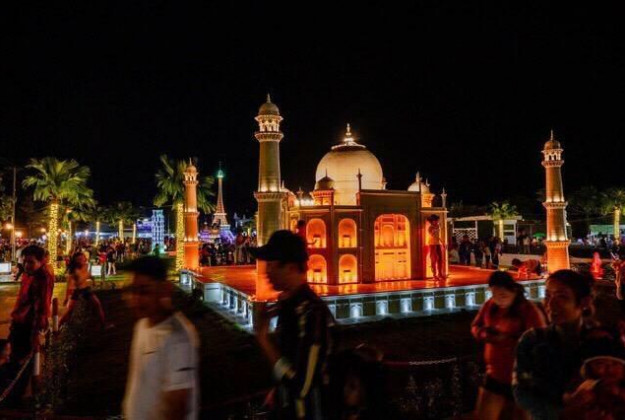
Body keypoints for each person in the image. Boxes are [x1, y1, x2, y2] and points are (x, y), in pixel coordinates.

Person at [252, 230, 335, 419]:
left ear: (290, 268)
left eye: (271, 265)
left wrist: (264, 340)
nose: (266, 272)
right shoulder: (289, 307)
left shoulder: (312, 313)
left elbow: (302, 386)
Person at [513, 270, 606, 419]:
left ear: (584, 302)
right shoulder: (532, 340)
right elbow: (521, 390)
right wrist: (560, 409)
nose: (550, 304)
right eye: (547, 296)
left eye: (562, 296)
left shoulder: (602, 342)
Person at [123, 256, 199, 420]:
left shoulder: (178, 339)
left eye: (144, 291)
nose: (135, 299)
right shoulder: (142, 325)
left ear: (165, 289)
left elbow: (178, 404)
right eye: (132, 290)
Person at [472, 271, 547, 419]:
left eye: (502, 295)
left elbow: (540, 341)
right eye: (494, 295)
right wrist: (484, 334)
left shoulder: (528, 310)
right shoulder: (490, 306)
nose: (498, 300)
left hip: (522, 378)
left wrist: (508, 340)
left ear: (513, 291)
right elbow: (476, 326)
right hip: (495, 375)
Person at [9, 245, 54, 363]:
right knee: (16, 355)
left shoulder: (42, 278)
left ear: (41, 261)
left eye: (31, 262)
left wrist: (37, 331)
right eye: (25, 261)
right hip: (19, 321)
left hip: (28, 324)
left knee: (23, 358)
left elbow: (43, 304)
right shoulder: (28, 274)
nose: (26, 265)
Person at [561, 334, 625, 419]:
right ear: (589, 368)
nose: (610, 369)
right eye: (600, 364)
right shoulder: (583, 392)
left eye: (615, 364)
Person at [59, 252, 110, 329]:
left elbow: (88, 274)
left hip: (86, 289)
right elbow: (69, 285)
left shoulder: (86, 266)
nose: (82, 260)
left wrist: (93, 280)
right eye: (79, 259)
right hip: (77, 291)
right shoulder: (74, 270)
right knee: (69, 311)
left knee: (97, 304)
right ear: (76, 261)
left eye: (82, 258)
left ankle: (103, 324)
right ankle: (59, 325)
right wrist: (66, 297)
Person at [427, 214, 445, 279]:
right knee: (433, 259)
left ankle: (440, 273)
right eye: (435, 220)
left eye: (437, 220)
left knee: (440, 258)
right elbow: (431, 234)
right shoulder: (430, 227)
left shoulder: (438, 226)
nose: (437, 221)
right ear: (432, 221)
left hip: (437, 243)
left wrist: (442, 242)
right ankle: (434, 275)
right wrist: (434, 230)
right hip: (432, 244)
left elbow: (438, 236)